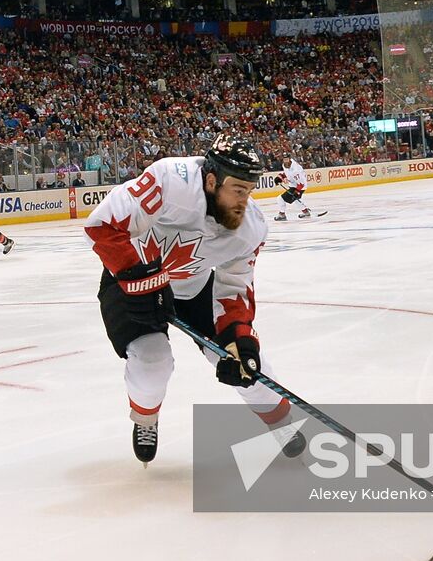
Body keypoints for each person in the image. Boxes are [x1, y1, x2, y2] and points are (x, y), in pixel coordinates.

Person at [84, 136, 306, 466]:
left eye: (249, 189)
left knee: (243, 364)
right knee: (152, 361)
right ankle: (146, 419)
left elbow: (234, 288)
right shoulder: (170, 180)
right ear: (212, 180)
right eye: (237, 189)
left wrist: (239, 337)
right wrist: (139, 278)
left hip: (195, 286)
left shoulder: (251, 229)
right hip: (130, 278)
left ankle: (279, 421)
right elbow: (102, 225)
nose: (244, 200)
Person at [274, 155, 312, 221]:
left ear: (290, 159)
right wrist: (280, 177)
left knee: (280, 198)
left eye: (287, 159)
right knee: (296, 200)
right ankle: (306, 212)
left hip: (300, 186)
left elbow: (301, 183)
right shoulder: (284, 165)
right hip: (294, 185)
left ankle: (282, 215)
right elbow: (286, 173)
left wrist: (297, 192)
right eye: (284, 159)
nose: (285, 161)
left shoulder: (296, 170)